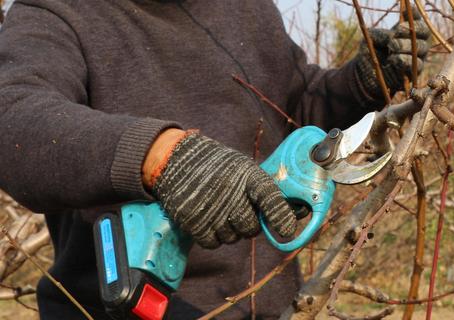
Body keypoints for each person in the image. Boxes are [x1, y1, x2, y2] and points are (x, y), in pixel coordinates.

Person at [0, 0, 429, 318]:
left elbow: (291, 114)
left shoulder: (248, 9)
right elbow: (12, 115)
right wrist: (160, 156)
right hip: (121, 306)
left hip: (267, 305)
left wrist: (357, 85)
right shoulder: (54, 12)